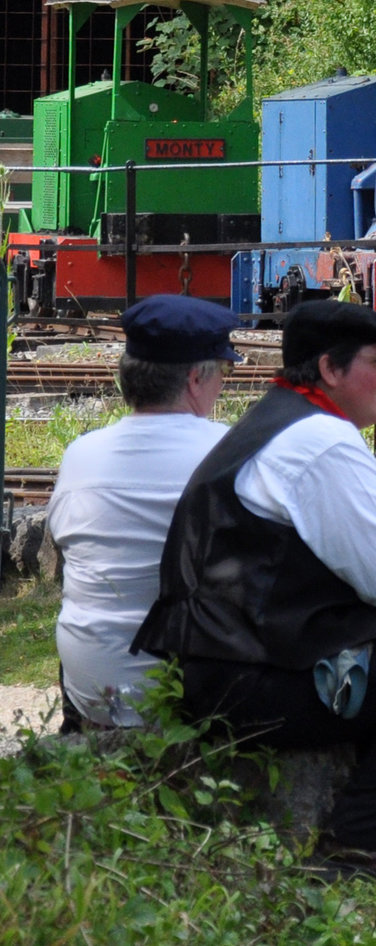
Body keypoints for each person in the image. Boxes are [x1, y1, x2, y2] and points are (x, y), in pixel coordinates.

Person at [134, 301, 376, 891]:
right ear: (330, 370)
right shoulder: (320, 441)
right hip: (247, 680)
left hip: (225, 666)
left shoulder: (284, 420)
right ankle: (365, 841)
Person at [46, 297, 238, 728]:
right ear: (194, 379)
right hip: (183, 692)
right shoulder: (227, 450)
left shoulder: (81, 453)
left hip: (89, 687)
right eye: (223, 373)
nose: (222, 385)